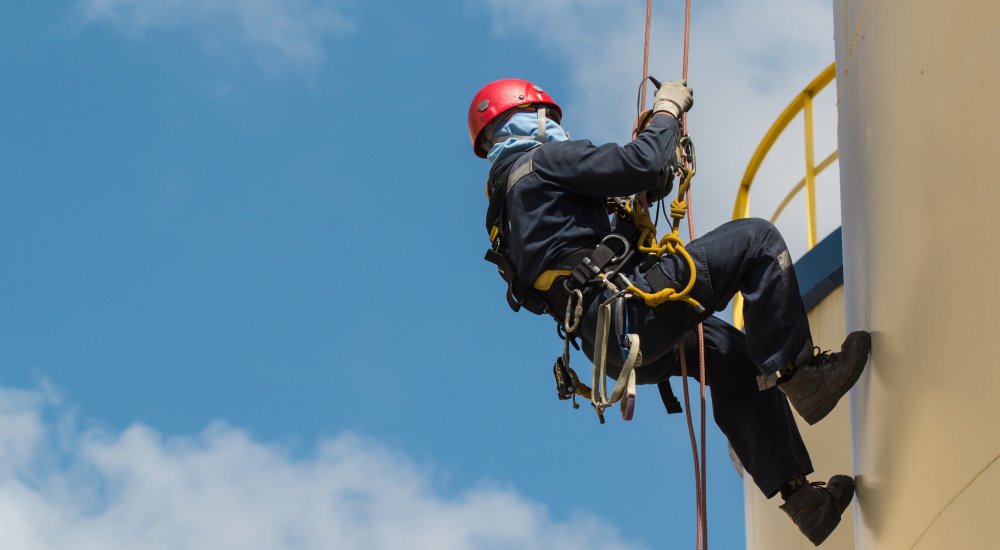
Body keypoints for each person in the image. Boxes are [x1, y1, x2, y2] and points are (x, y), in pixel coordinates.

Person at [468, 77, 871, 546]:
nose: (557, 129)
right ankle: (803, 376)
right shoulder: (544, 161)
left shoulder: (506, 207)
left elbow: (581, 247)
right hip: (628, 313)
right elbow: (639, 164)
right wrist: (666, 113)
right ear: (530, 119)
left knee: (733, 358)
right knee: (756, 241)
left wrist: (634, 203)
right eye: (548, 120)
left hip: (610, 344)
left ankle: (804, 502)